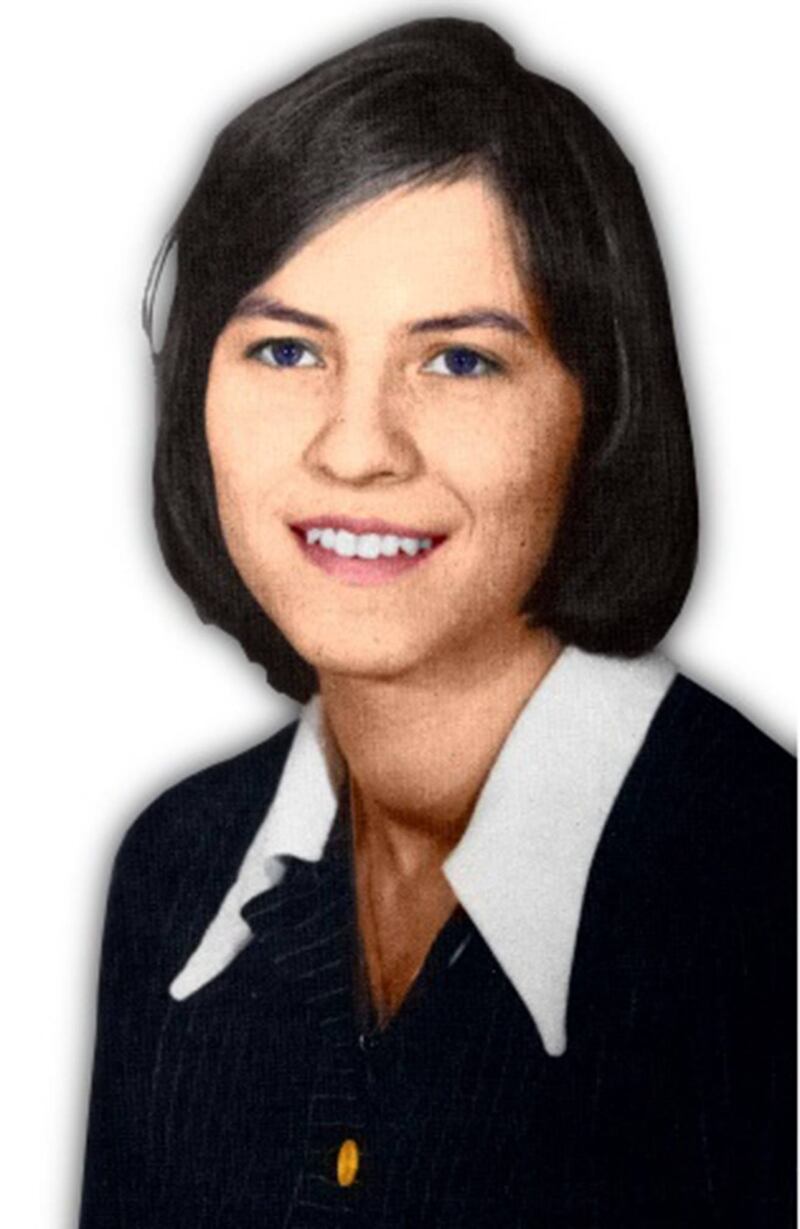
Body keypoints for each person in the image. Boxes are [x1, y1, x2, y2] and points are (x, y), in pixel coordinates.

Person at [78, 18, 795, 1228]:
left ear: (601, 410)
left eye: (458, 361)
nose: (356, 448)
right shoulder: (178, 869)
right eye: (285, 350)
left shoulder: (764, 884)